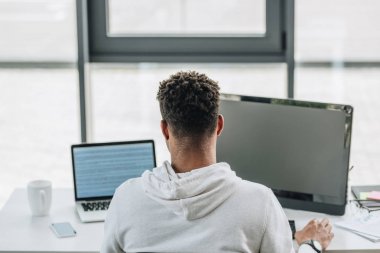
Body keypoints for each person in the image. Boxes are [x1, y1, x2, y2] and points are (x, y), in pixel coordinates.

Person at [101, 71, 334, 253]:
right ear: (219, 125)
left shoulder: (126, 199)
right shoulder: (260, 203)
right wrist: (302, 241)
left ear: (165, 130)